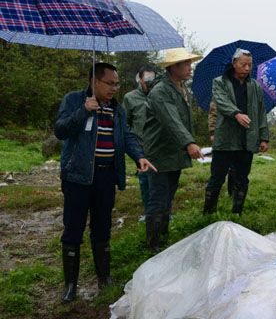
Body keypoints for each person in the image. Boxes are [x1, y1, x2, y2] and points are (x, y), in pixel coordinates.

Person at [54, 62, 155, 303]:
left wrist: (139, 155)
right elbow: (60, 131)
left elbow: (126, 136)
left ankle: (104, 278)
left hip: (106, 177)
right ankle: (70, 285)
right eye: (110, 83)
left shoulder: (116, 109)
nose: (115, 88)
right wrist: (83, 111)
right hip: (78, 177)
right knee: (73, 228)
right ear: (94, 81)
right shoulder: (74, 100)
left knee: (102, 227)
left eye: (117, 83)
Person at [143, 48, 203, 252]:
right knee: (158, 197)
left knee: (168, 196)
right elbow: (172, 120)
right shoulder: (160, 91)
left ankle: (163, 236)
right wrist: (189, 143)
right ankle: (153, 245)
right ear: (173, 67)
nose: (189, 68)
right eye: (186, 64)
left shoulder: (180, 88)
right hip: (159, 153)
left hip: (173, 151)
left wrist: (187, 143)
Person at [203, 48, 269, 215]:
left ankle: (237, 213)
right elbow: (221, 102)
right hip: (225, 139)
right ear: (234, 64)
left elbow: (261, 112)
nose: (247, 68)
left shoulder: (254, 86)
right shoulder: (220, 82)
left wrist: (264, 137)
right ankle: (208, 213)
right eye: (243, 64)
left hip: (246, 139)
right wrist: (236, 113)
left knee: (242, 178)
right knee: (217, 178)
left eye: (250, 65)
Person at [122, 65, 156, 221]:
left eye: (152, 78)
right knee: (144, 180)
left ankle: (162, 211)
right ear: (140, 79)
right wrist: (133, 143)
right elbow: (125, 122)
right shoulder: (130, 98)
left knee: (160, 179)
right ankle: (149, 213)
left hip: (158, 144)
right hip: (140, 145)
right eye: (147, 79)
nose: (149, 82)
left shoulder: (158, 94)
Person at [208, 98, 238, 197]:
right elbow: (213, 113)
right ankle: (211, 198)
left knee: (235, 167)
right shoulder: (220, 92)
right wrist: (212, 131)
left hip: (238, 135)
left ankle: (233, 192)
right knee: (218, 169)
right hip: (221, 134)